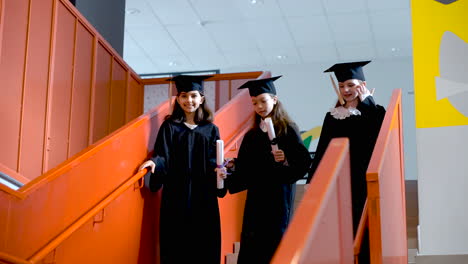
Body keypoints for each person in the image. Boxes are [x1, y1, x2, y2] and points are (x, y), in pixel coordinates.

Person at [138, 74, 228, 264]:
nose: (189, 101)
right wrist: (155, 163)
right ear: (177, 99)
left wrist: (220, 171)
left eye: (194, 96)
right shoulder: (170, 126)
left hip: (203, 195)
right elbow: (163, 154)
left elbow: (214, 160)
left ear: (201, 99)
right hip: (176, 195)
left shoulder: (211, 129)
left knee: (203, 243)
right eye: (184, 96)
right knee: (176, 244)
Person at [306, 61, 386, 263]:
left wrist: (368, 100)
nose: (346, 90)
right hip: (337, 184)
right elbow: (323, 149)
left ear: (363, 84)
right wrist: (312, 183)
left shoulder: (375, 111)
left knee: (363, 233)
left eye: (350, 84)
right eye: (342, 86)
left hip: (362, 182)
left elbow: (378, 136)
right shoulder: (332, 116)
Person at [226, 76, 312, 264]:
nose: (259, 106)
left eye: (263, 101)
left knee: (274, 245)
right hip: (257, 199)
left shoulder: (288, 129)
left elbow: (303, 162)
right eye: (255, 103)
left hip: (278, 198)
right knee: (252, 245)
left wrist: (286, 160)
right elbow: (245, 168)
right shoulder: (252, 135)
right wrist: (231, 168)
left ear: (274, 99)